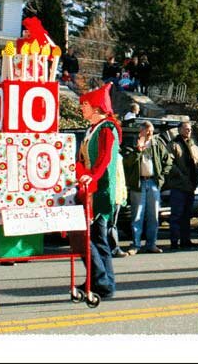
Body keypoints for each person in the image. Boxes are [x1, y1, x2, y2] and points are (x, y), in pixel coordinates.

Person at [74, 82, 122, 299]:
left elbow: (104, 159)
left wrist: (91, 176)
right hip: (89, 189)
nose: (81, 108)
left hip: (100, 191)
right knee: (98, 240)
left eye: (84, 105)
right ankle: (104, 283)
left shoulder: (107, 128)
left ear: (95, 107)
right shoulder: (91, 129)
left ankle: (100, 280)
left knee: (90, 239)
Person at [123, 121, 174, 255]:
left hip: (153, 182)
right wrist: (138, 150)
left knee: (153, 215)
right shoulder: (133, 144)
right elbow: (127, 161)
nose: (150, 133)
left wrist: (161, 178)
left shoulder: (157, 144)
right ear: (141, 131)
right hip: (138, 183)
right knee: (137, 214)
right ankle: (135, 245)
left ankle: (151, 244)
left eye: (151, 130)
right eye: (147, 131)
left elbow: (168, 161)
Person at [167, 122, 198, 250]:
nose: (189, 131)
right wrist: (182, 176)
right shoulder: (173, 145)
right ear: (179, 130)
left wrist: (196, 177)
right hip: (179, 186)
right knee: (176, 215)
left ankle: (185, 240)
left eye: (190, 129)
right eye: (186, 129)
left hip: (191, 186)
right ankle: (174, 241)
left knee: (187, 215)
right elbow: (170, 163)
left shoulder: (193, 145)